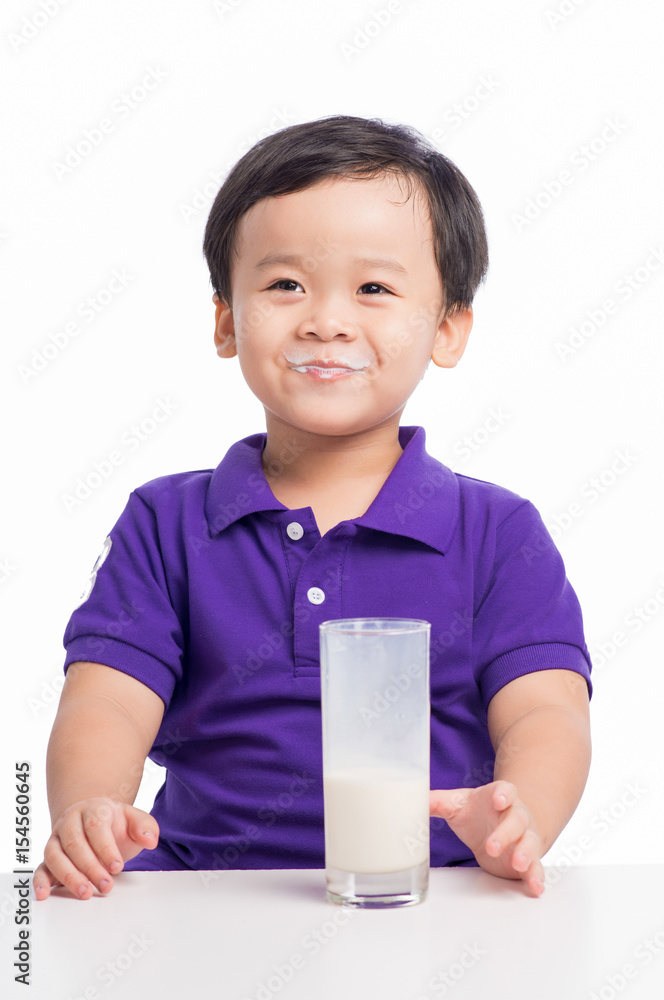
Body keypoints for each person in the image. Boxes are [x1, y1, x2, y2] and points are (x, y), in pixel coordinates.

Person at [34, 114, 592, 903]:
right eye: (284, 284)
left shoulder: (496, 532)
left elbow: (546, 710)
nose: (325, 320)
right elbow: (106, 697)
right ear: (227, 319)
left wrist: (519, 813)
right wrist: (89, 807)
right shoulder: (165, 523)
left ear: (447, 328)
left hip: (434, 895)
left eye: (373, 289)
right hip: (197, 895)